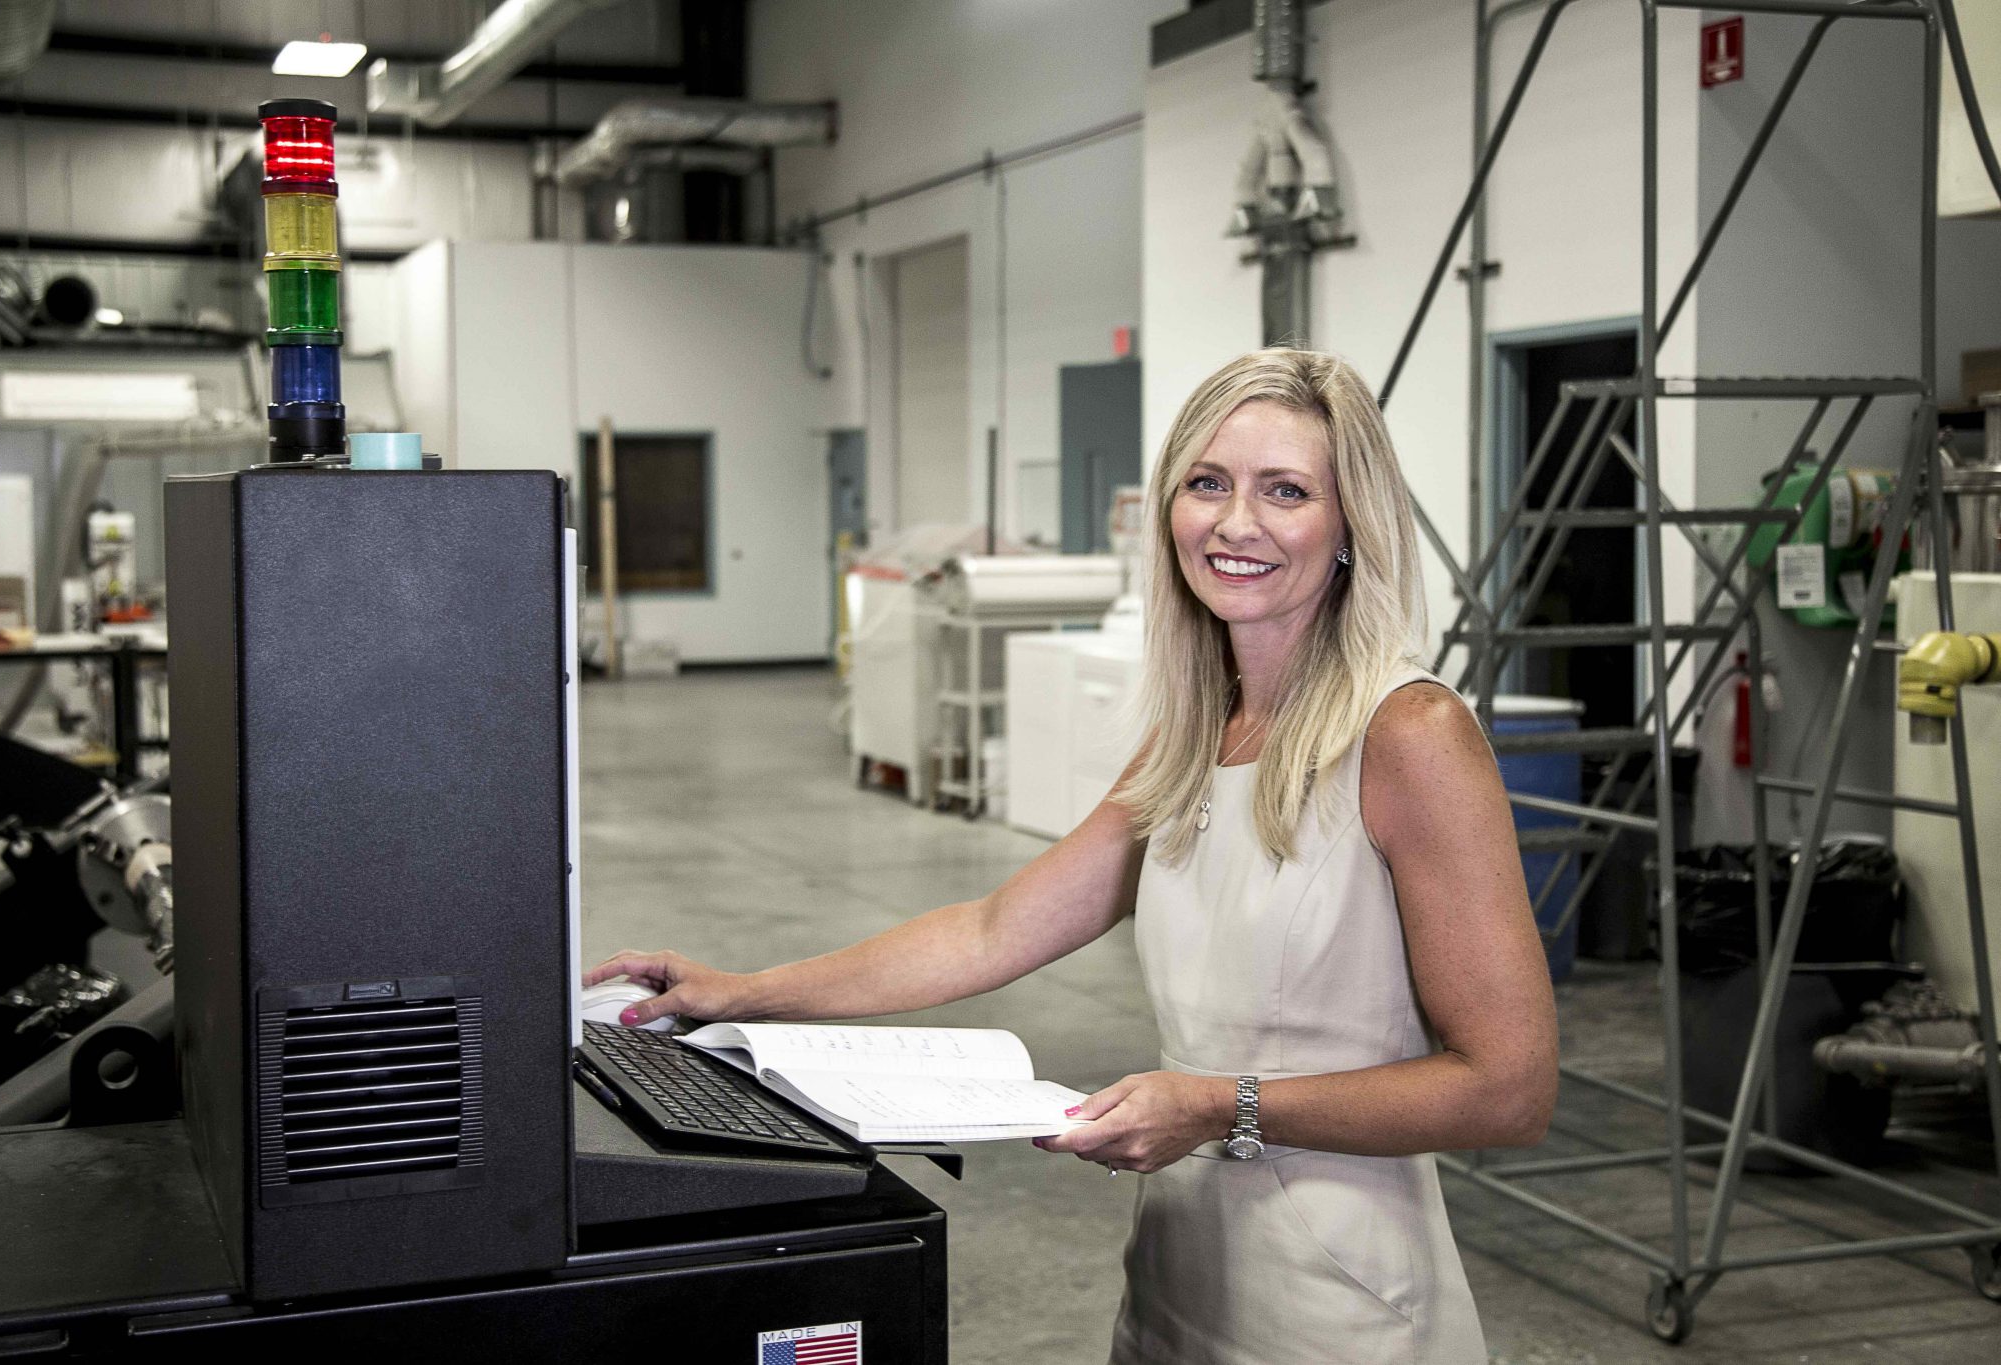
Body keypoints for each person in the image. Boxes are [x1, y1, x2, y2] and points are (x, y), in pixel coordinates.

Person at [586, 348, 1558, 1364]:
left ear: (1351, 523)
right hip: (1179, 1278)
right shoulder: (1195, 736)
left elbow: (1508, 1087)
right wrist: (742, 994)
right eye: (1207, 483)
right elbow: (993, 930)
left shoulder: (1409, 735)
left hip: (1343, 1307)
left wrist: (1219, 1104)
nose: (1235, 523)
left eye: (1285, 491)